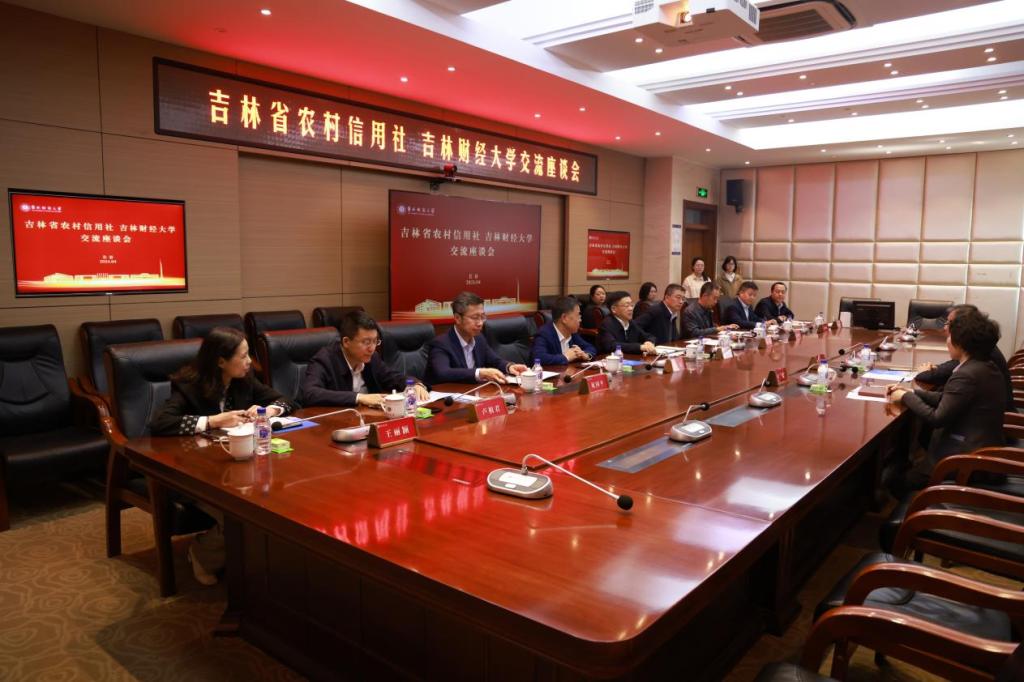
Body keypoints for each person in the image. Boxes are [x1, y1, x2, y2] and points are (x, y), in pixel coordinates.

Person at [150, 326, 296, 586]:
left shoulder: (244, 380)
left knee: (277, 500)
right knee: (240, 513)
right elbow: (160, 423)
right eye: (243, 356)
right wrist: (213, 421)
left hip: (238, 466)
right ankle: (202, 554)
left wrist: (269, 410)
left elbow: (285, 400)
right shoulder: (189, 385)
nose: (250, 361)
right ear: (220, 361)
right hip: (195, 470)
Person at [889, 309, 1006, 483]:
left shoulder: (967, 375)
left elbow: (937, 418)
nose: (947, 340)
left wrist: (905, 397)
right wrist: (911, 392)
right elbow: (947, 398)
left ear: (961, 344)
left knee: (895, 482)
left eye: (951, 336)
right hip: (982, 450)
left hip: (966, 462)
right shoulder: (984, 366)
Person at [300, 310, 429, 407]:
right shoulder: (325, 359)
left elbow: (391, 377)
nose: (372, 348)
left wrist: (414, 384)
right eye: (366, 342)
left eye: (375, 341)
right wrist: (359, 397)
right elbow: (310, 393)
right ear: (346, 342)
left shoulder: (372, 357)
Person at [915, 304, 1014, 412]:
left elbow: (933, 376)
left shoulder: (976, 352)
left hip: (1000, 417)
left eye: (949, 323)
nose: (945, 327)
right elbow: (953, 365)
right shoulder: (981, 344)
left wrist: (925, 372)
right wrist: (936, 368)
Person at [427, 291, 528, 384]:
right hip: (448, 395)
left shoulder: (479, 338)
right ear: (457, 318)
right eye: (475, 317)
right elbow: (443, 372)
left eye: (482, 317)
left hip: (475, 393)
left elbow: (495, 361)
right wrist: (480, 373)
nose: (480, 323)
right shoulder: (441, 343)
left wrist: (509, 367)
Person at [533, 295, 596, 365]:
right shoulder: (544, 334)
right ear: (564, 318)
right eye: (578, 315)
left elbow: (590, 347)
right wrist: (566, 357)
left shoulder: (572, 333)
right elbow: (538, 358)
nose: (580, 320)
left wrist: (585, 354)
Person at [597, 291, 656, 355]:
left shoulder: (631, 323)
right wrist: (639, 347)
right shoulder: (606, 324)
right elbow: (611, 345)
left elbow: (648, 336)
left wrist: (649, 342)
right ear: (614, 309)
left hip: (631, 359)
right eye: (627, 305)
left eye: (631, 305)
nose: (631, 309)